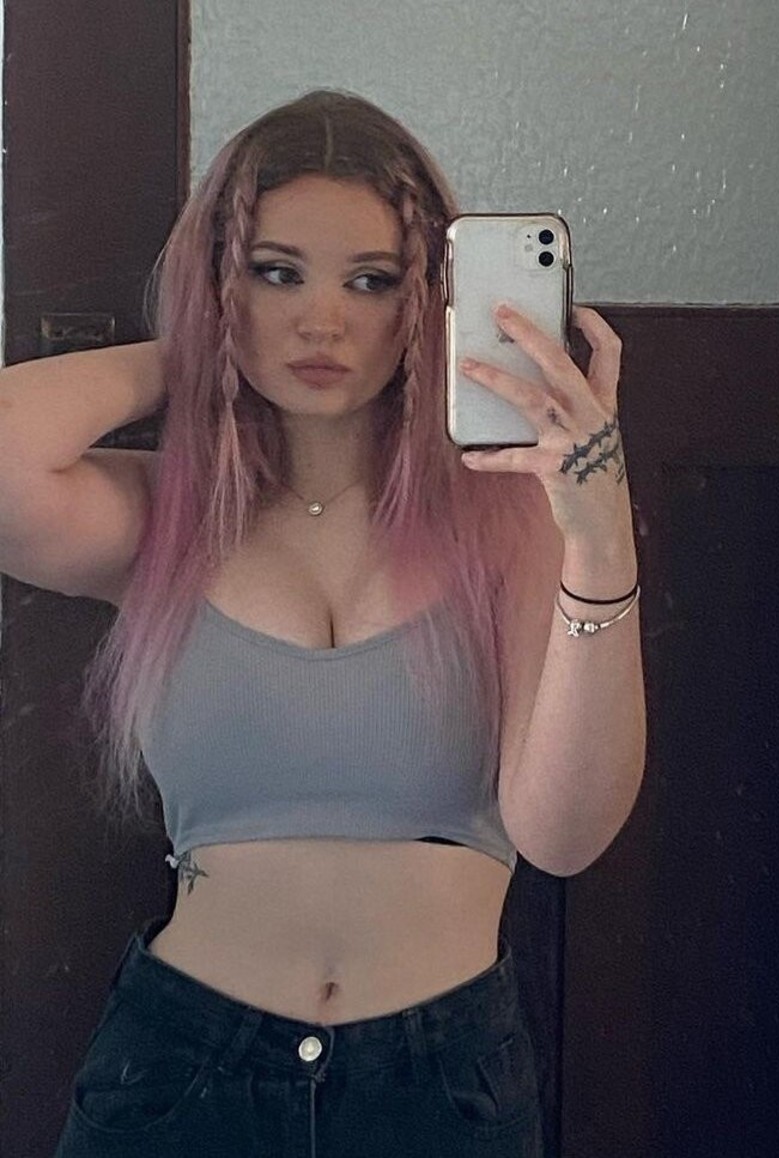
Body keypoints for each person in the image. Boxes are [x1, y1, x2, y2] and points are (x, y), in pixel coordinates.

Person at [0, 89, 645, 1156]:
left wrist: (601, 538)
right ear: (222, 283)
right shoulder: (165, 515)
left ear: (427, 301)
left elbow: (564, 836)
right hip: (178, 1073)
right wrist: (198, 347)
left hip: (440, 1086)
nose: (322, 320)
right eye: (276, 272)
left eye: (372, 280)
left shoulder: (514, 521)